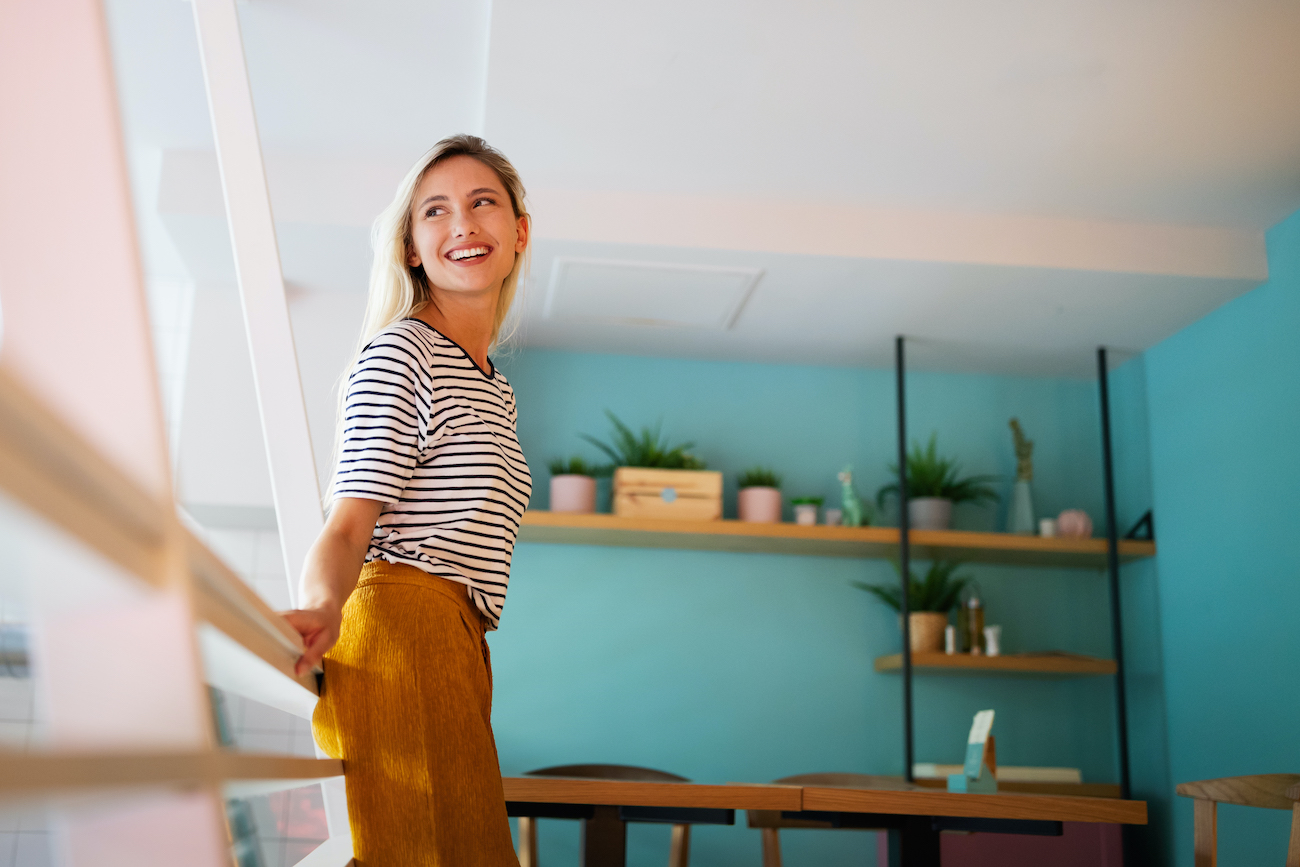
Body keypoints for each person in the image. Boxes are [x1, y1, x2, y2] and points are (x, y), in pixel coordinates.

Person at [283, 134, 532, 866]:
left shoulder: (494, 386)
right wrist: (322, 608)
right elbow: (349, 522)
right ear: (414, 247)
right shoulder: (403, 351)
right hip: (401, 628)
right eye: (437, 211)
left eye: (483, 202)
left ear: (518, 231)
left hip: (453, 641)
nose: (464, 223)